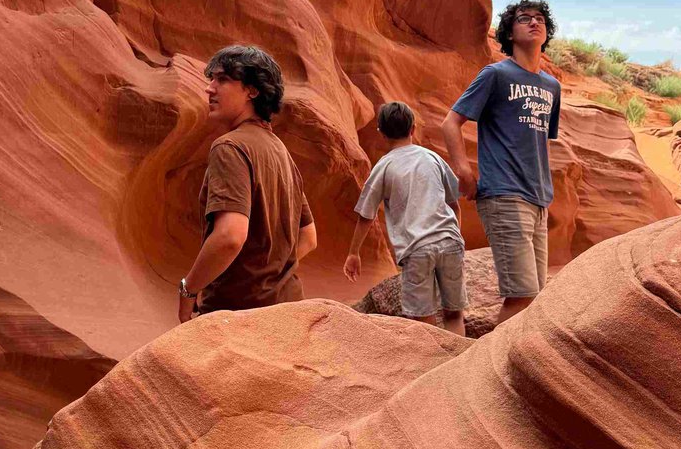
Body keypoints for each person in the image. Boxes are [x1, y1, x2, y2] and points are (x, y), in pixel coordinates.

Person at [441, 0, 561, 326]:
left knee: (534, 296)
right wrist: (463, 169)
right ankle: (488, 372)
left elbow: (538, 141)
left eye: (540, 19)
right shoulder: (496, 75)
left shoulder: (552, 87)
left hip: (538, 199)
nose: (534, 22)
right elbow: (450, 122)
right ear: (509, 33)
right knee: (520, 296)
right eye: (524, 19)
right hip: (504, 194)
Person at [178, 45, 317, 323]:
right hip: (288, 312)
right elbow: (309, 237)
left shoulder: (230, 147)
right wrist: (271, 279)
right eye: (211, 79)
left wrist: (188, 290)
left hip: (237, 319)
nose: (210, 88)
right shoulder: (281, 152)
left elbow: (230, 236)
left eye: (223, 79)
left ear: (252, 90)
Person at [344, 101, 467, 335]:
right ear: (413, 129)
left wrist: (353, 253)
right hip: (450, 242)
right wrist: (456, 235)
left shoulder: (384, 167)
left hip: (416, 248)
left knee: (422, 320)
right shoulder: (433, 158)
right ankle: (458, 364)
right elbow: (454, 204)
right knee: (454, 314)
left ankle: (429, 366)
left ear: (380, 132)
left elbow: (366, 215)